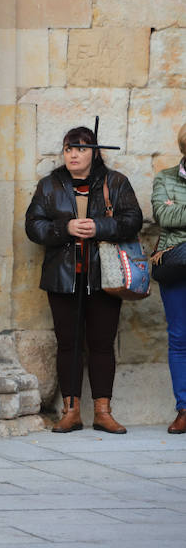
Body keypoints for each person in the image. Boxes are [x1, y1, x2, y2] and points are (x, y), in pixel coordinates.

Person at [25, 127, 142, 434]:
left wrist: (99, 227)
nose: (73, 155)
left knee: (102, 344)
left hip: (103, 277)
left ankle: (103, 412)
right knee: (69, 344)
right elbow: (33, 225)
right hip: (63, 277)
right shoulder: (50, 185)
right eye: (68, 149)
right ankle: (70, 411)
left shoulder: (115, 183)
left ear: (94, 152)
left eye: (79, 149)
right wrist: (66, 228)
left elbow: (133, 220)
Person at [151, 122, 186, 434]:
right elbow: (164, 216)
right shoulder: (165, 178)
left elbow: (176, 215)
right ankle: (184, 408)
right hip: (177, 264)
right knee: (179, 336)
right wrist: (172, 211)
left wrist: (180, 210)